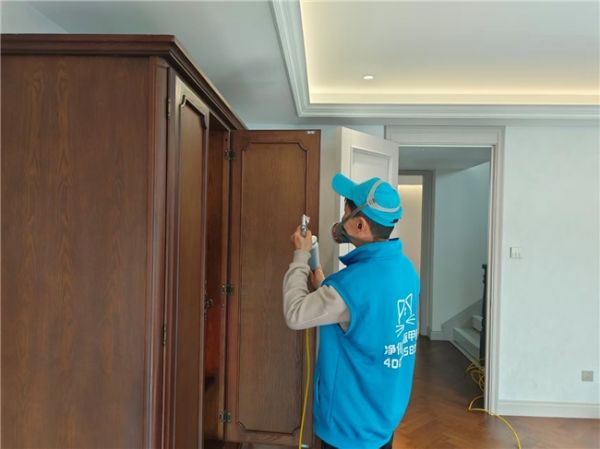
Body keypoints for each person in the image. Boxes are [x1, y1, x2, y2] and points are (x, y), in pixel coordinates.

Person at [283, 173, 420, 449]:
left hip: (349, 427)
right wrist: (321, 277)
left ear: (359, 224)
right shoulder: (406, 270)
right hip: (383, 418)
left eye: (346, 212)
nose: (342, 219)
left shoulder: (351, 286)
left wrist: (300, 255)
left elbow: (295, 313)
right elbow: (364, 316)